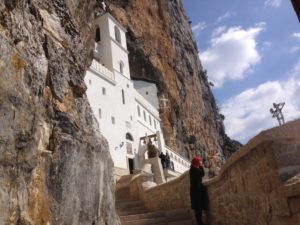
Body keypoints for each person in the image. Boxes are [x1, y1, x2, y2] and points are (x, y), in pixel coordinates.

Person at [189, 156, 208, 225]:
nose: (200, 162)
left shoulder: (193, 168)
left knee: (198, 208)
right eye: (199, 161)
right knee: (198, 208)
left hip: (196, 191)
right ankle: (199, 222)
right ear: (196, 162)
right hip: (196, 191)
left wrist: (200, 166)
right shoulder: (194, 169)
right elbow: (202, 174)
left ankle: (199, 222)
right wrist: (201, 166)